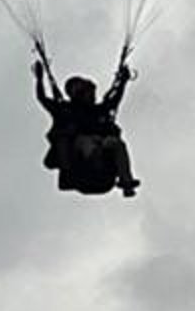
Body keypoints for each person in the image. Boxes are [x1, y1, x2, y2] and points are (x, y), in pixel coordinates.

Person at [33, 42, 138, 196]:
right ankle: (95, 162)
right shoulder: (65, 110)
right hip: (81, 167)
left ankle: (126, 183)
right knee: (86, 141)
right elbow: (42, 98)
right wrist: (39, 79)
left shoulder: (99, 110)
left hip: (104, 174)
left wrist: (123, 81)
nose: (89, 94)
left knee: (117, 143)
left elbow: (115, 100)